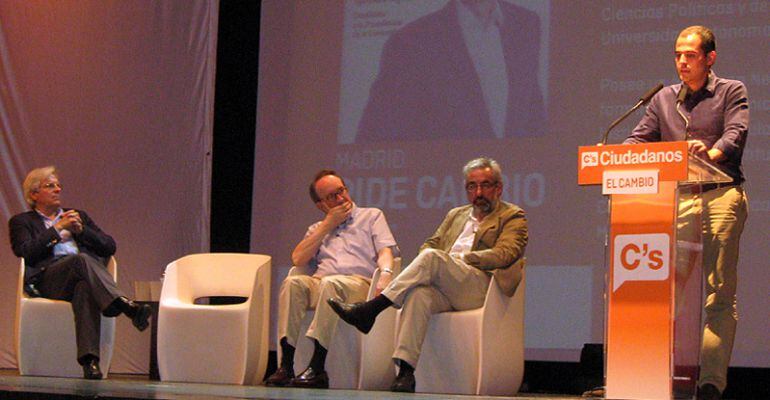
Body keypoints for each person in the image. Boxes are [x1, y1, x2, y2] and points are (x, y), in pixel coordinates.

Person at [328, 157, 527, 392]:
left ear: (498, 188)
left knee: (433, 257)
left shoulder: (513, 216)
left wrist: (460, 259)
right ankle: (406, 372)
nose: (479, 192)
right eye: (472, 186)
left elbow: (506, 253)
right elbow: (430, 244)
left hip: (480, 286)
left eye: (485, 185)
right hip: (448, 284)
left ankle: (372, 309)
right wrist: (436, 265)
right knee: (419, 295)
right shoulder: (456, 215)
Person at [624, 26, 749, 400]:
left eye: (690, 55)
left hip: (720, 195)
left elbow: (735, 134)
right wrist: (623, 155)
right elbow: (637, 141)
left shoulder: (732, 91)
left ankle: (710, 383)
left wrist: (707, 153)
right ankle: (648, 375)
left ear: (710, 58)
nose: (682, 62)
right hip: (676, 199)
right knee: (663, 291)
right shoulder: (663, 99)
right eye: (678, 54)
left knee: (719, 294)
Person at [9, 166, 152, 380]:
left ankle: (90, 362)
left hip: (81, 275)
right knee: (80, 260)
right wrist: (57, 229)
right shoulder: (22, 221)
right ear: (34, 194)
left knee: (84, 289)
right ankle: (124, 305)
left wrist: (81, 231)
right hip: (47, 279)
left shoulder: (78, 217)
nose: (57, 189)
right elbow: (26, 252)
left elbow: (109, 246)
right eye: (50, 186)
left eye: (58, 185)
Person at [263, 169, 399, 388]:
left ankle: (317, 367)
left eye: (341, 191)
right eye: (332, 197)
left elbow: (386, 251)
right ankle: (286, 366)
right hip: (321, 283)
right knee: (292, 283)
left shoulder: (371, 216)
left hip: (359, 283)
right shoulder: (317, 229)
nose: (341, 198)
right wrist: (328, 224)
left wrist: (386, 274)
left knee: (331, 283)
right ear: (321, 205)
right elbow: (298, 258)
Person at [355, 0, 544, 142]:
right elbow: (376, 135)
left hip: (517, 180)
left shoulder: (526, 24)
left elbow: (531, 109)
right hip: (444, 185)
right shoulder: (411, 42)